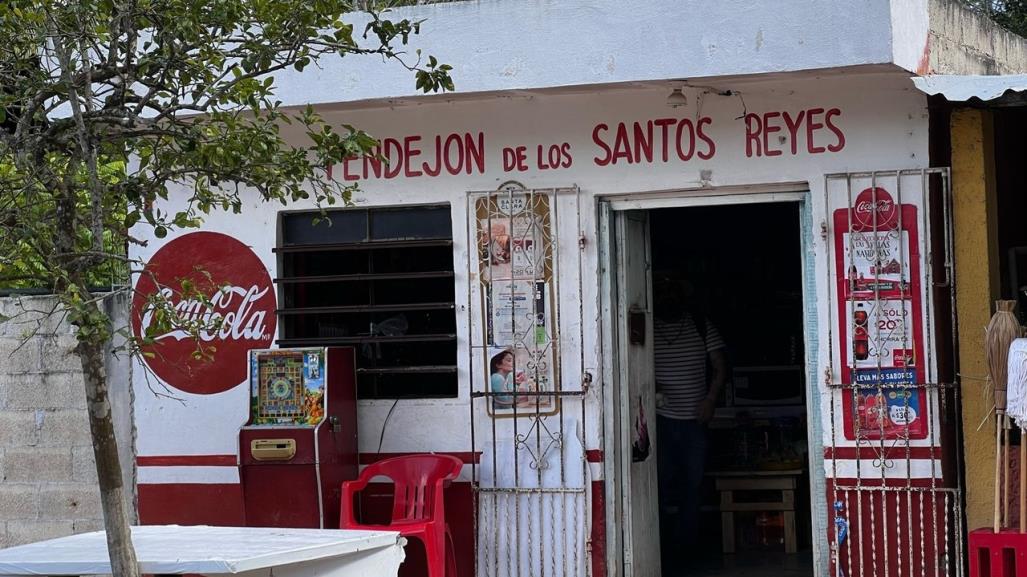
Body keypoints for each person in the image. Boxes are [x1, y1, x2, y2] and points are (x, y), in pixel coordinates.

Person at [653, 272, 728, 562]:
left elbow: (720, 366)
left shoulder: (700, 326)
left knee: (692, 486)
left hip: (695, 422)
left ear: (682, 297)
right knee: (657, 485)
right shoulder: (647, 328)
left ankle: (687, 548)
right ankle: (658, 549)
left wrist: (710, 400)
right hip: (661, 420)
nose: (667, 298)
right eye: (662, 292)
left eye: (672, 292)